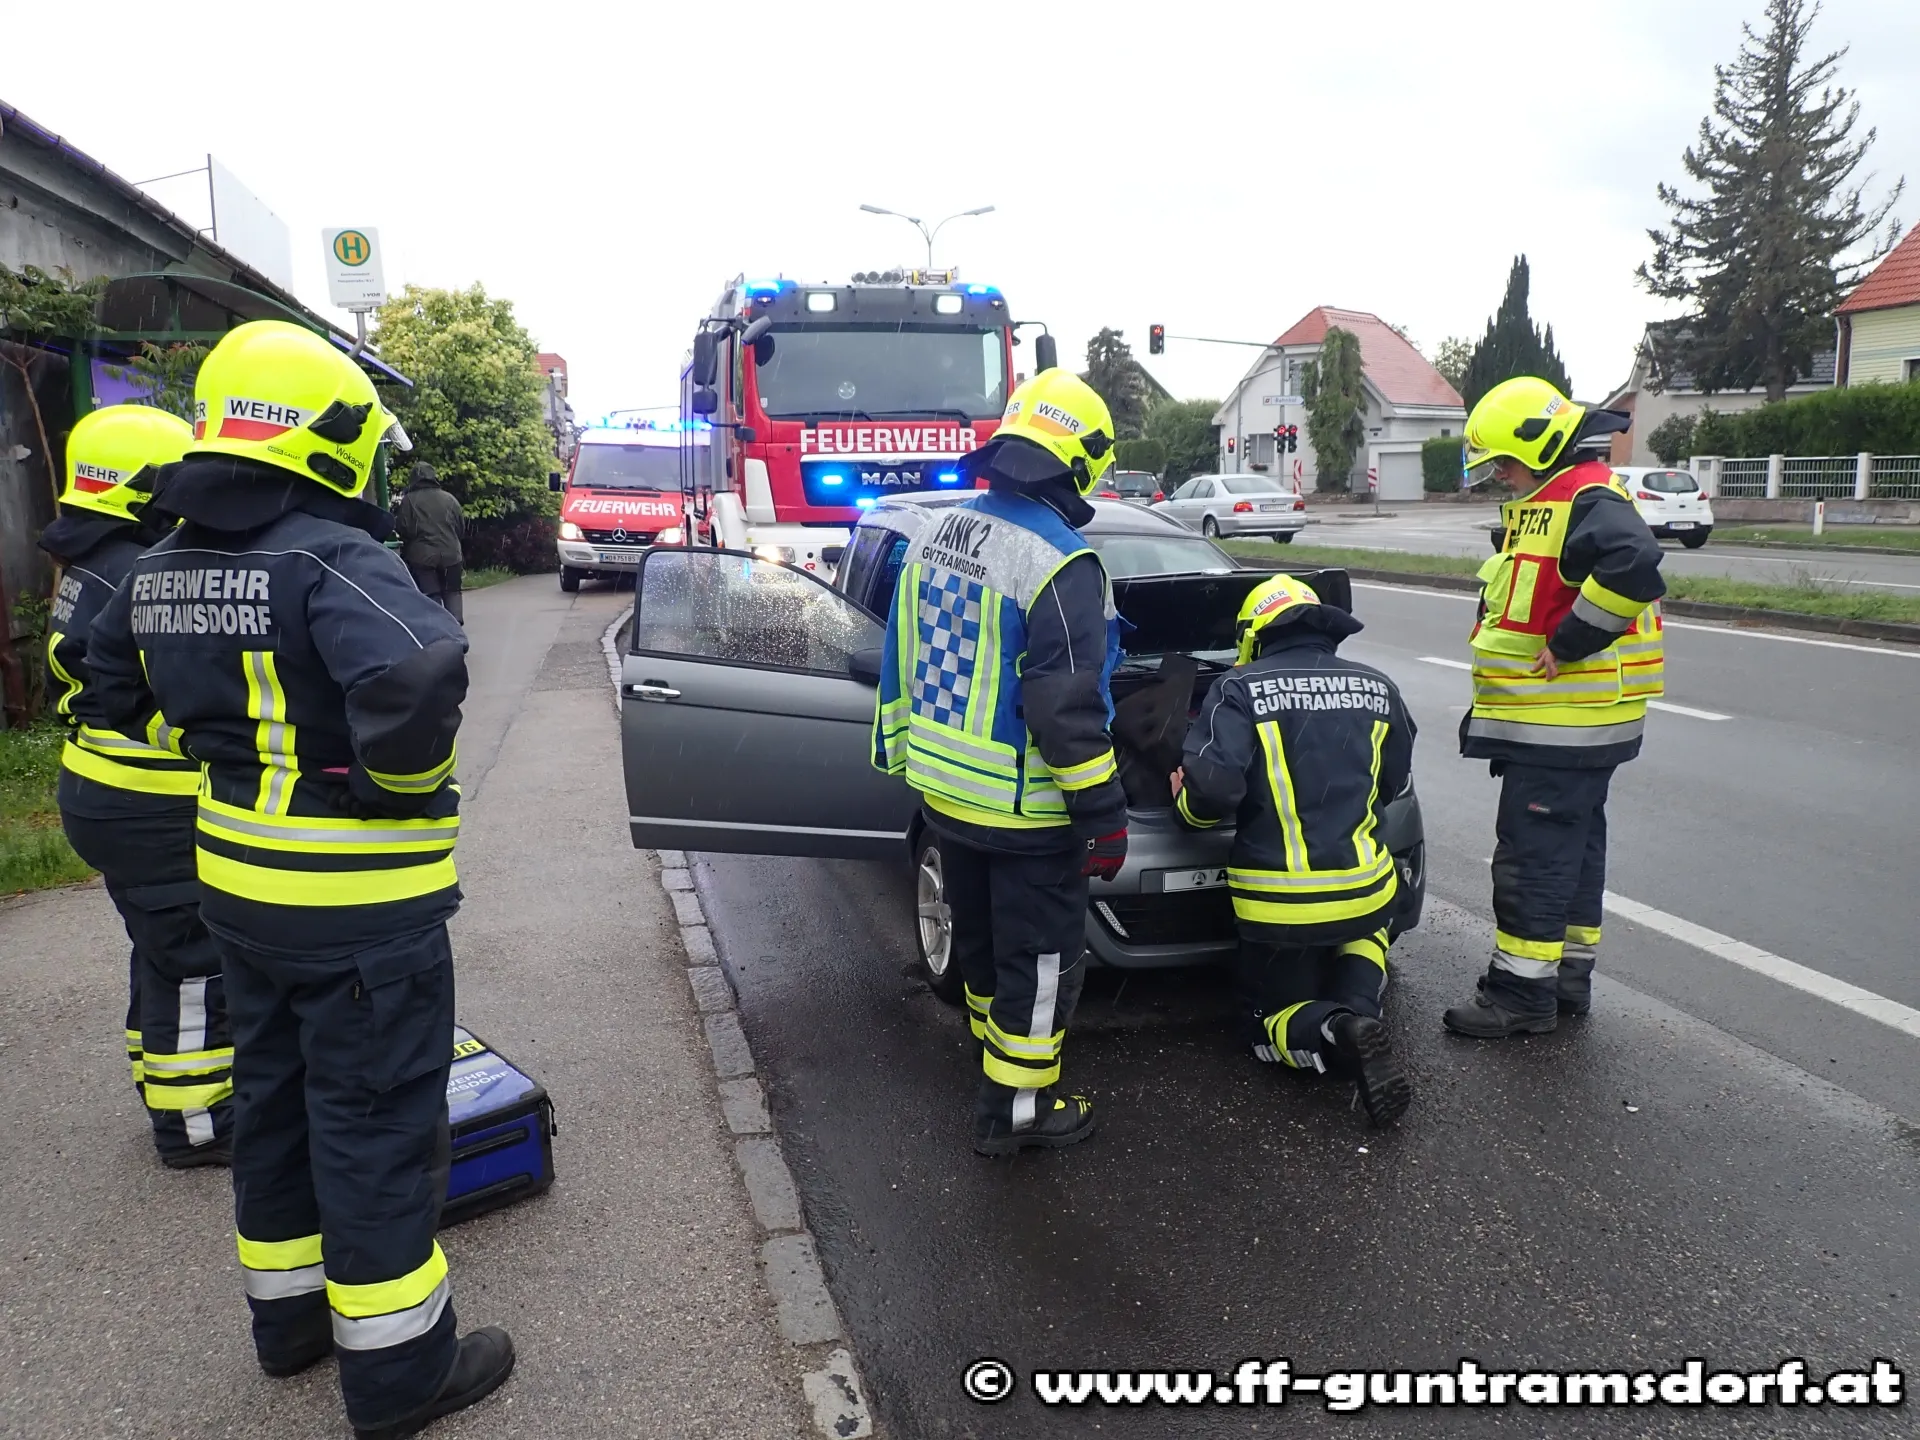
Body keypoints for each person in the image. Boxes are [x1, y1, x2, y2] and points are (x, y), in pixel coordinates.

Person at [88, 320, 513, 1439]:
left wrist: (215, 749)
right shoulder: (330, 555)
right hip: (357, 911)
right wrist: (391, 783)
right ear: (324, 436)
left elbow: (108, 682)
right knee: (375, 1129)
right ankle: (401, 1372)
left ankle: (288, 1327)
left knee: (273, 1106)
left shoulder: (158, 564)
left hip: (237, 894)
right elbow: (418, 671)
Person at [871, 368, 1128, 1157]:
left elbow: (902, 651)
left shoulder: (937, 532)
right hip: (1025, 812)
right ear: (1080, 460)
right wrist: (1103, 813)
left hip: (947, 796)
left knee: (982, 947)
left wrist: (900, 754)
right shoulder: (1061, 560)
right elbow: (1064, 707)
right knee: (1041, 963)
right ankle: (1015, 1112)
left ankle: (994, 1061)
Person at [1441, 376, 1665, 1038]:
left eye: (1505, 463)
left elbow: (1635, 564)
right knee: (1573, 854)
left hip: (1562, 723)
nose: (1501, 476)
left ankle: (1520, 995)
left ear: (1537, 447)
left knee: (1533, 861)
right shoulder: (1567, 494)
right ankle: (1564, 980)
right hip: (1577, 724)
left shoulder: (1582, 496)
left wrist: (1570, 642)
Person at [41, 403, 233, 1167]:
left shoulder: (94, 563)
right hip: (149, 805)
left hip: (103, 795)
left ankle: (161, 1082)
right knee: (195, 957)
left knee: (159, 947)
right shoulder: (138, 571)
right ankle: (197, 1123)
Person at [1170, 573, 1416, 1126]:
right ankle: (1359, 1013)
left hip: (1280, 906)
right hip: (1365, 889)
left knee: (1267, 1022)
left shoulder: (1238, 688)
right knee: (1367, 929)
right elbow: (1392, 781)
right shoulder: (1378, 686)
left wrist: (1184, 802)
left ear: (1253, 635)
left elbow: (1212, 794)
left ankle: (1333, 1030)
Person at [394, 461, 465, 622]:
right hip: (451, 554)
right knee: (452, 591)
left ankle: (437, 625)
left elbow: (403, 528)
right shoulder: (450, 499)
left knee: (430, 594)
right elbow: (460, 528)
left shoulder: (409, 501)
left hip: (422, 557)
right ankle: (455, 623)